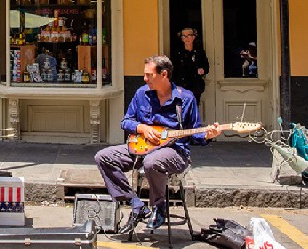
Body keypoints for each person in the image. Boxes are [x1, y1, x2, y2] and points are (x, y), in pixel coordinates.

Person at [94, 55, 221, 234]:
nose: (145, 79)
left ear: (164, 74)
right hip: (142, 148)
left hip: (174, 152)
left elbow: (195, 134)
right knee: (104, 157)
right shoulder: (141, 94)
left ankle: (159, 207)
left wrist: (208, 135)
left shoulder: (186, 99)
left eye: (149, 75)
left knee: (152, 161)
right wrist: (142, 128)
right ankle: (136, 205)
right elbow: (126, 121)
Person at [171, 28, 209, 103]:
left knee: (193, 109)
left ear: (193, 37)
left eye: (189, 35)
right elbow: (173, 69)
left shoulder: (199, 52)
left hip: (195, 86)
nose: (186, 38)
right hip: (181, 86)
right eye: (184, 36)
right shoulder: (177, 52)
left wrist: (202, 70)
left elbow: (206, 67)